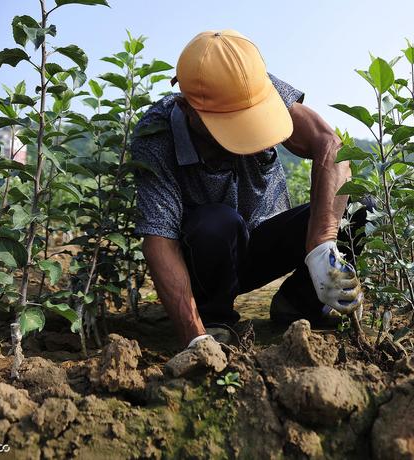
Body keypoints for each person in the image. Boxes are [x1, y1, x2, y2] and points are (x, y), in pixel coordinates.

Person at [131, 30, 365, 354]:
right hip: (206, 260)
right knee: (217, 221)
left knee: (361, 204)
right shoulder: (156, 135)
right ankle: (215, 320)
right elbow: (158, 241)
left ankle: (298, 303)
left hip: (262, 243)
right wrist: (193, 337)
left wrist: (321, 245)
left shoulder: (256, 85)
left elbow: (329, 144)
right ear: (187, 109)